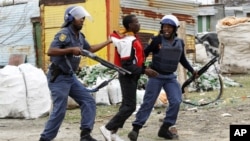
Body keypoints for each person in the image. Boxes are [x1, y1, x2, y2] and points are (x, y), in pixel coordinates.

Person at [39, 5, 112, 141]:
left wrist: (109, 41)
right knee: (60, 110)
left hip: (69, 77)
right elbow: (51, 51)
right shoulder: (64, 33)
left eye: (83, 18)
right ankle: (45, 138)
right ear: (71, 19)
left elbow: (90, 49)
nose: (82, 20)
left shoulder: (79, 36)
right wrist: (71, 50)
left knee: (88, 101)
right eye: (80, 18)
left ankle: (85, 135)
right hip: (58, 77)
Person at [127, 14, 198, 141]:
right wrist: (144, 68)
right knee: (148, 102)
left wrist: (192, 70)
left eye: (169, 27)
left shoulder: (180, 43)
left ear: (174, 29)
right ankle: (136, 129)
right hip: (156, 76)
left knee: (176, 101)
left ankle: (165, 128)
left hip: (170, 77)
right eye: (164, 26)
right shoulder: (157, 40)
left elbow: (182, 59)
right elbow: (144, 53)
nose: (166, 29)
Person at [99, 14, 158, 141]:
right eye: (136, 22)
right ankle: (108, 128)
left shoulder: (133, 39)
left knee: (126, 105)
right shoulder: (128, 41)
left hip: (132, 75)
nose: (139, 24)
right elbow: (127, 65)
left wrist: (143, 69)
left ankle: (113, 133)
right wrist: (144, 70)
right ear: (130, 25)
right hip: (127, 76)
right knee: (130, 106)